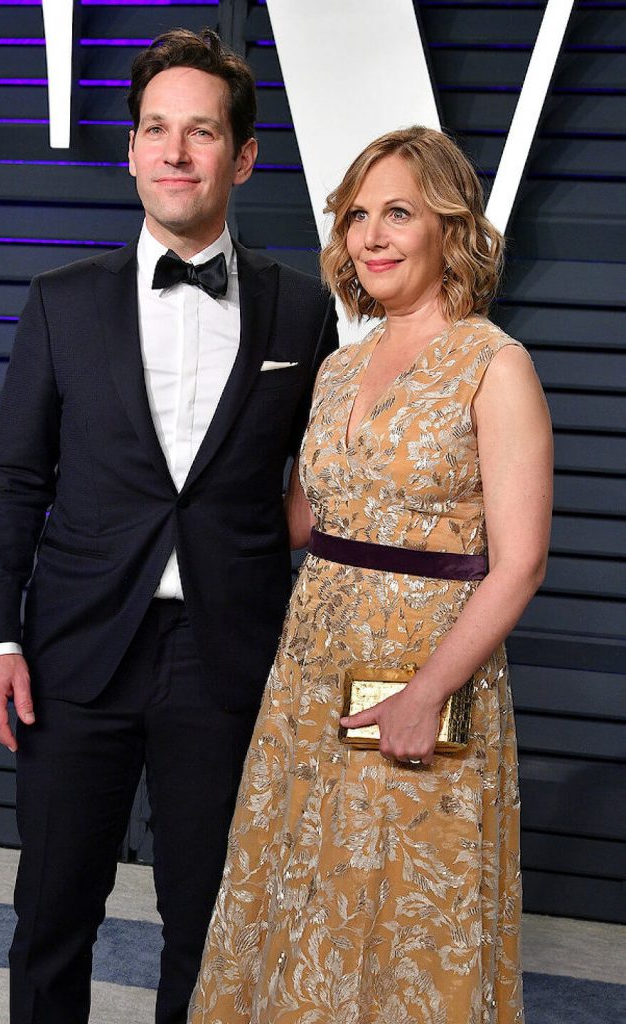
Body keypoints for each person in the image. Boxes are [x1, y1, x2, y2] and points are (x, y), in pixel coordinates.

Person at [0, 28, 337, 1024]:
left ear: (242, 156)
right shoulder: (58, 303)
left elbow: (330, 483)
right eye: (157, 130)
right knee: (51, 913)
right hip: (74, 651)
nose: (176, 152)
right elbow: (10, 479)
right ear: (131, 150)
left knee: (211, 924)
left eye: (202, 132)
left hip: (227, 657)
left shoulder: (303, 314)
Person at [188, 126, 552, 1023]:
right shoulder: (336, 370)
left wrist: (428, 692)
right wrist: (168, 517)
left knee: (402, 913)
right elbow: (306, 521)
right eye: (357, 215)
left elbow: (520, 564)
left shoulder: (494, 365)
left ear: (449, 228)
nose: (373, 236)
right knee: (297, 898)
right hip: (307, 680)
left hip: (423, 675)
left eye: (400, 212)